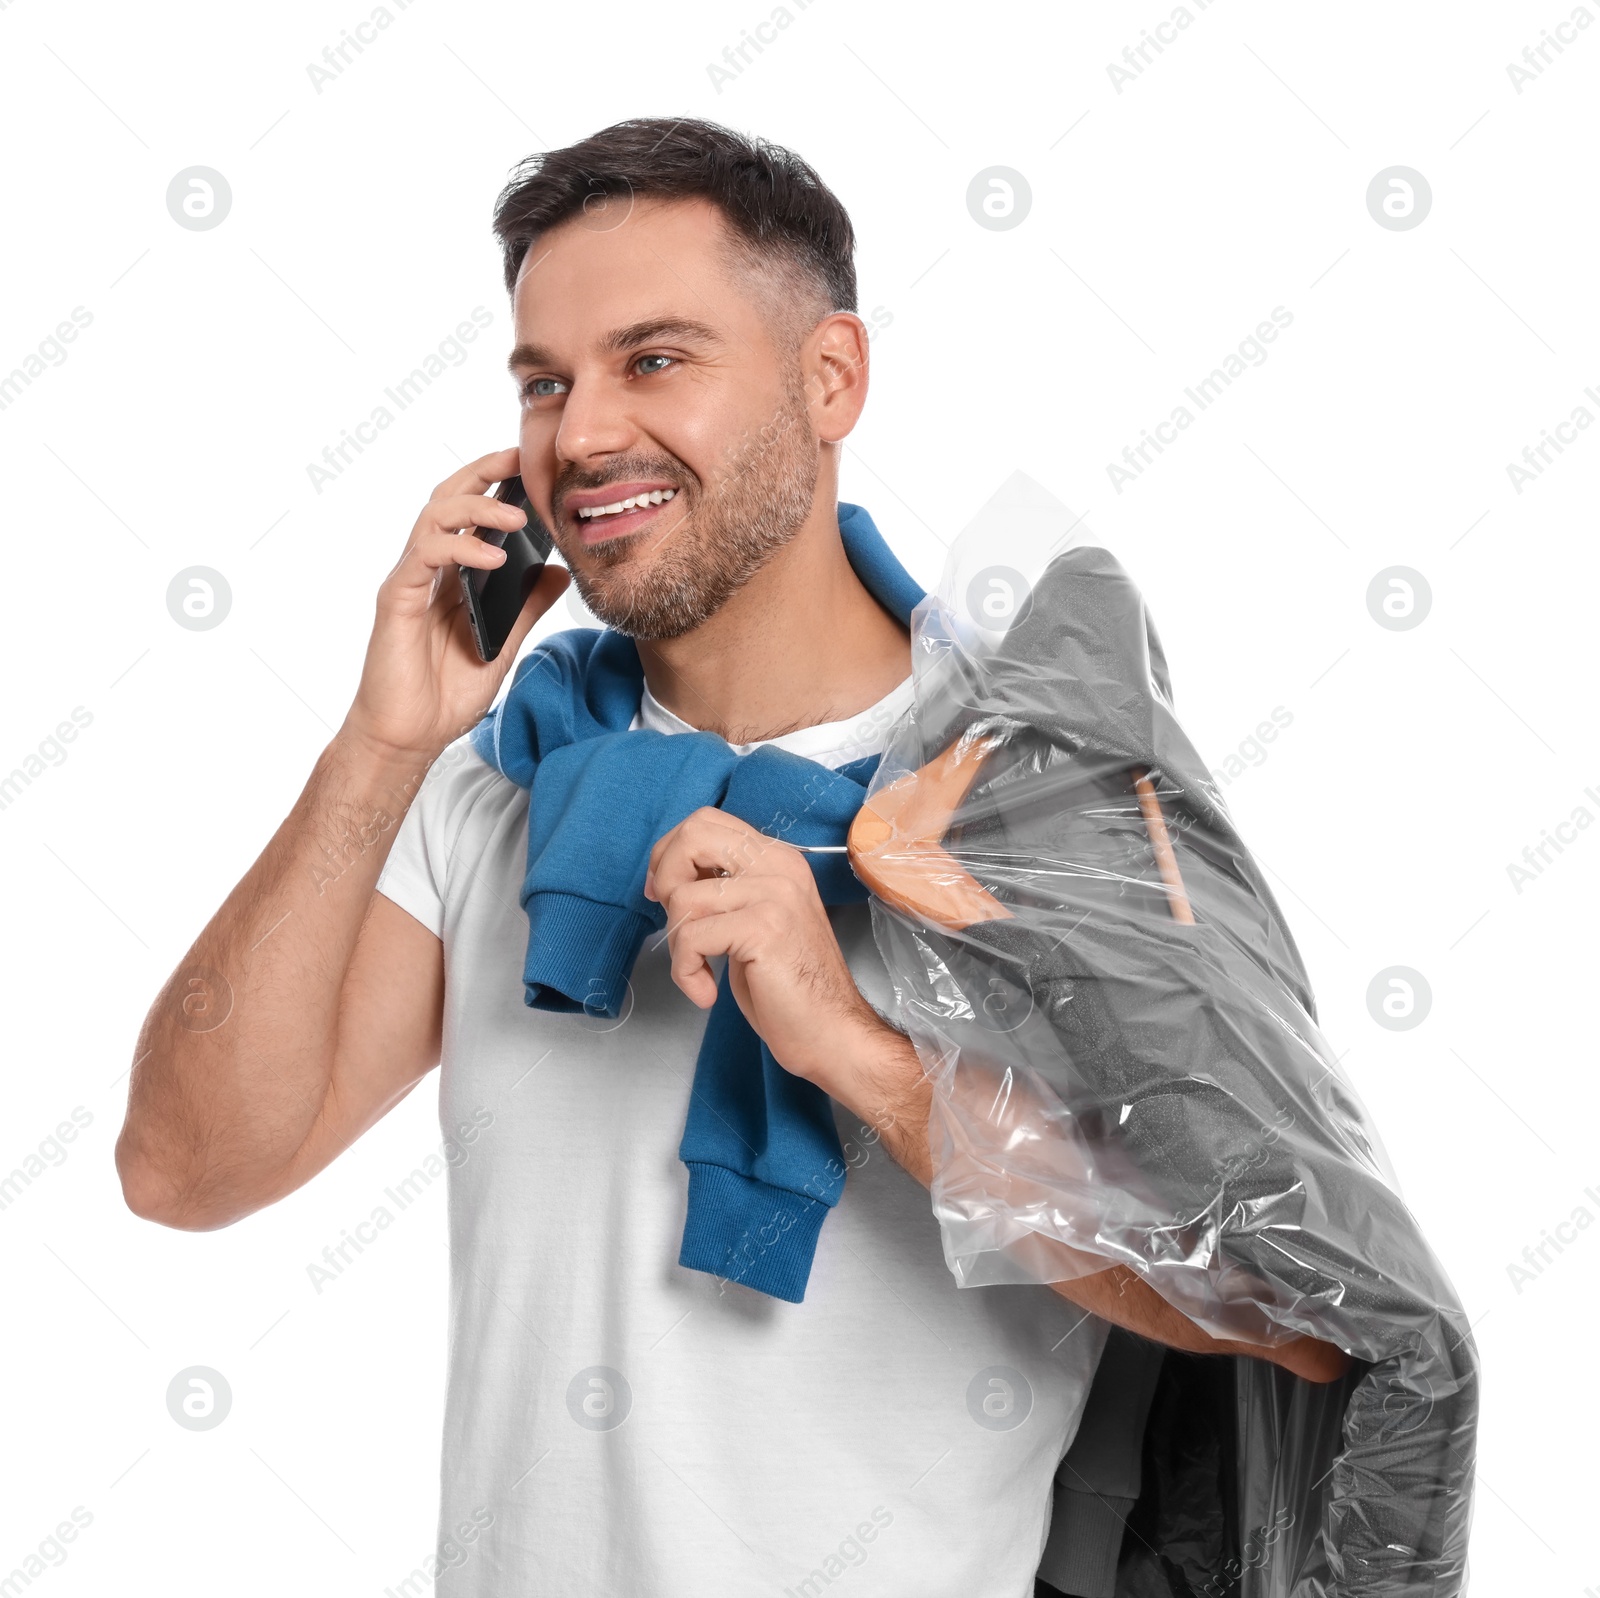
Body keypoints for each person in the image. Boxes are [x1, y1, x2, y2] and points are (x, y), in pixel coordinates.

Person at [116, 117, 1347, 1597]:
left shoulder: (1031, 805)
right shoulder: (501, 791)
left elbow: (1292, 1305)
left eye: (654, 360)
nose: (580, 437)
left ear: (831, 380)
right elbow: (184, 1168)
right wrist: (381, 747)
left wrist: (868, 1053)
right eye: (544, 382)